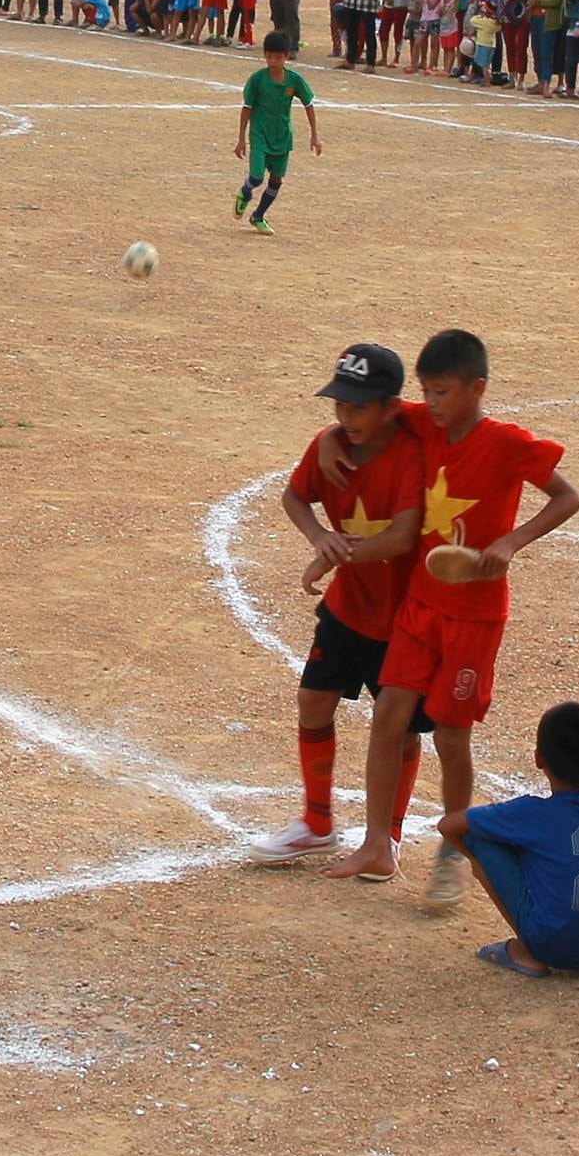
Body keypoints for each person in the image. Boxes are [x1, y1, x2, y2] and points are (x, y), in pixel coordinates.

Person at [323, 330, 579, 904]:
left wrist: (512, 542)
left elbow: (567, 497)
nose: (431, 402)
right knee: (388, 712)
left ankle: (454, 845)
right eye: (425, 391)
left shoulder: (507, 443)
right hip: (421, 605)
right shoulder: (424, 422)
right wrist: (325, 439)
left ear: (477, 389)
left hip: (476, 615)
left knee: (449, 731)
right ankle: (376, 843)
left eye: (441, 391)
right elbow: (369, 413)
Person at [251, 341, 430, 863]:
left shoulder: (409, 457)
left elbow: (401, 537)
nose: (345, 416)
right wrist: (317, 537)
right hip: (350, 607)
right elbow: (294, 496)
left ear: (390, 407)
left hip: (403, 617)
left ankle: (389, 836)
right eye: (339, 406)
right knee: (313, 700)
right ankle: (317, 821)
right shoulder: (330, 445)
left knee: (401, 729)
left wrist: (335, 556)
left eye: (357, 407)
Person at [447, 703, 579, 981]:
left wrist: (478, 862)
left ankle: (526, 951)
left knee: (479, 837)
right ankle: (575, 949)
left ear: (539, 758)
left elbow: (449, 826)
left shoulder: (530, 812)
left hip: (552, 945)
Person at [233, 33, 322, 232]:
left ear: (286, 57)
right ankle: (245, 192)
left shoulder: (294, 81)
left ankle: (258, 216)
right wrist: (241, 139)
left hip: (282, 138)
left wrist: (314, 135)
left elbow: (309, 104)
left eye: (278, 57)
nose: (273, 61)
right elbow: (247, 108)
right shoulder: (257, 80)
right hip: (260, 136)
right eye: (269, 57)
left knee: (276, 180)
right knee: (256, 177)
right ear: (265, 56)